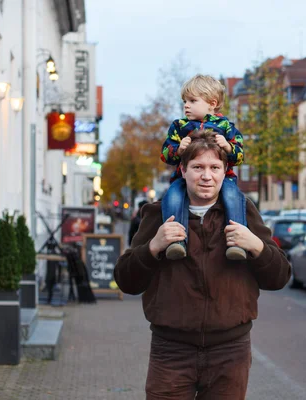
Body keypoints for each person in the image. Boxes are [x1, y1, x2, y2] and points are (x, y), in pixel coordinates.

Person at [114, 131, 291, 399]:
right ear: (183, 170)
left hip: (230, 352)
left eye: (214, 168)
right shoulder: (159, 213)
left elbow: (279, 277)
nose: (206, 176)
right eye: (198, 167)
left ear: (225, 172)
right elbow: (126, 281)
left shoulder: (243, 213)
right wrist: (153, 247)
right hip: (171, 351)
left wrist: (255, 245)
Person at [160, 74, 246, 261]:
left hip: (225, 179)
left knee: (233, 196)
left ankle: (238, 241)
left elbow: (240, 155)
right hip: (183, 179)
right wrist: (177, 149)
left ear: (212, 103)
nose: (186, 105)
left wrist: (228, 146)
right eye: (184, 101)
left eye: (192, 101)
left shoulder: (226, 127)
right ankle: (176, 242)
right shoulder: (178, 126)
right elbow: (165, 153)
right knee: (172, 197)